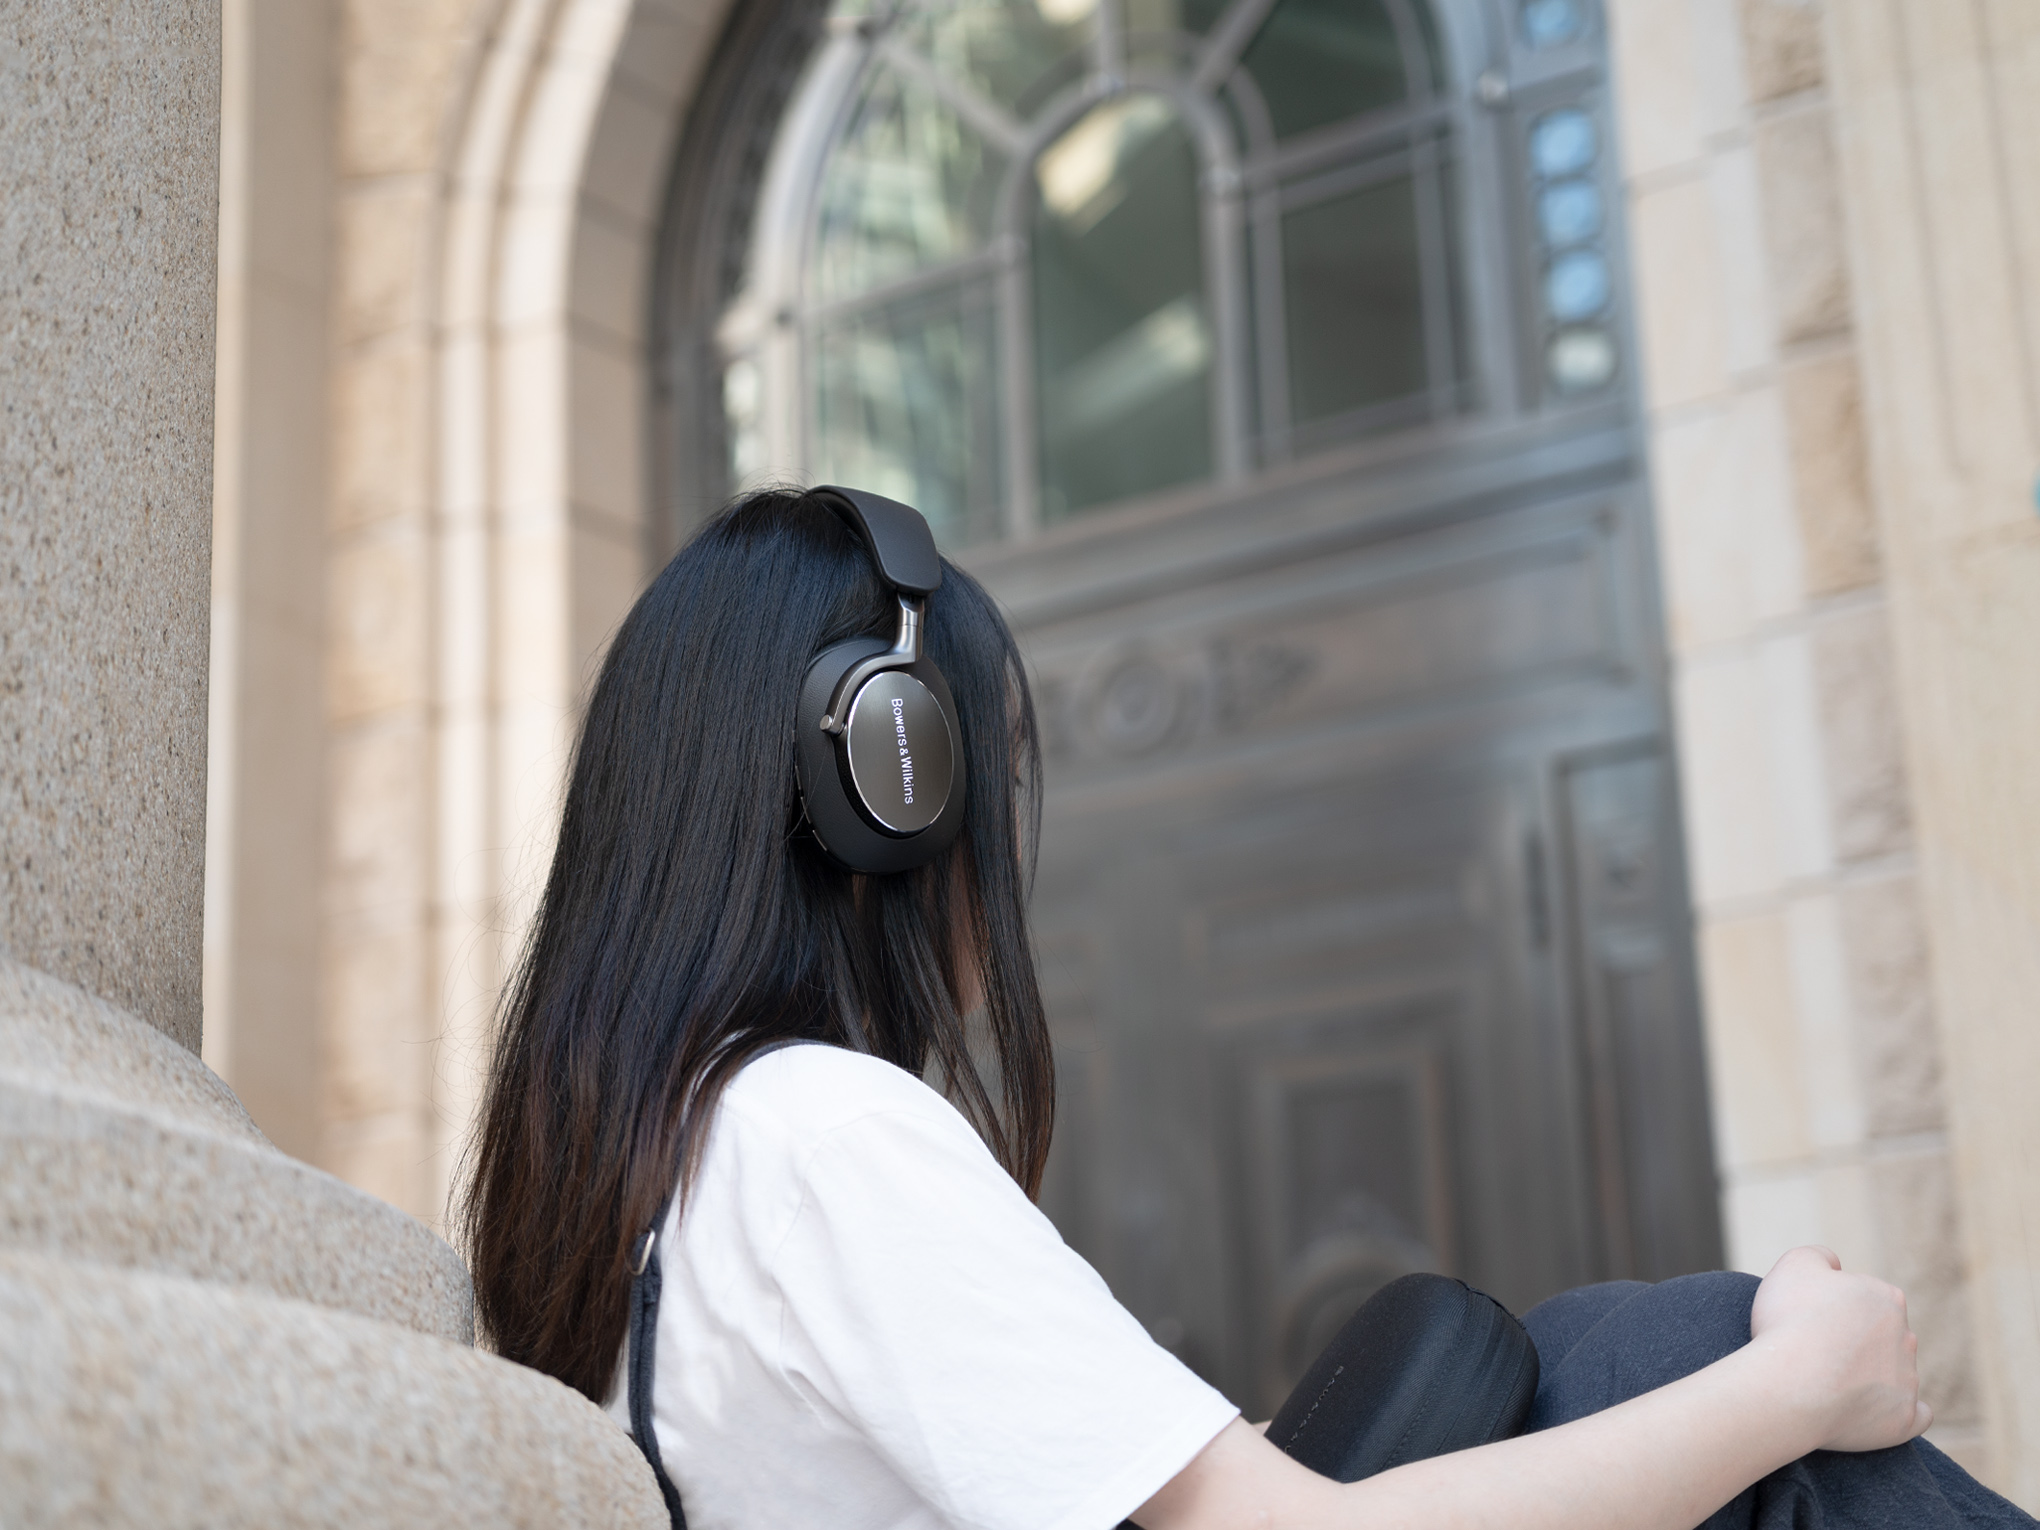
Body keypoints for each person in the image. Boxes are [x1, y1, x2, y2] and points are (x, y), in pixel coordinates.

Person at [459, 487, 2034, 1530]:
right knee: (1697, 1357)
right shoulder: (815, 1138)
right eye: (985, 789)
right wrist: (1798, 1383)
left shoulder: (634, 1171)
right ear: (879, 785)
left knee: (1567, 1363)